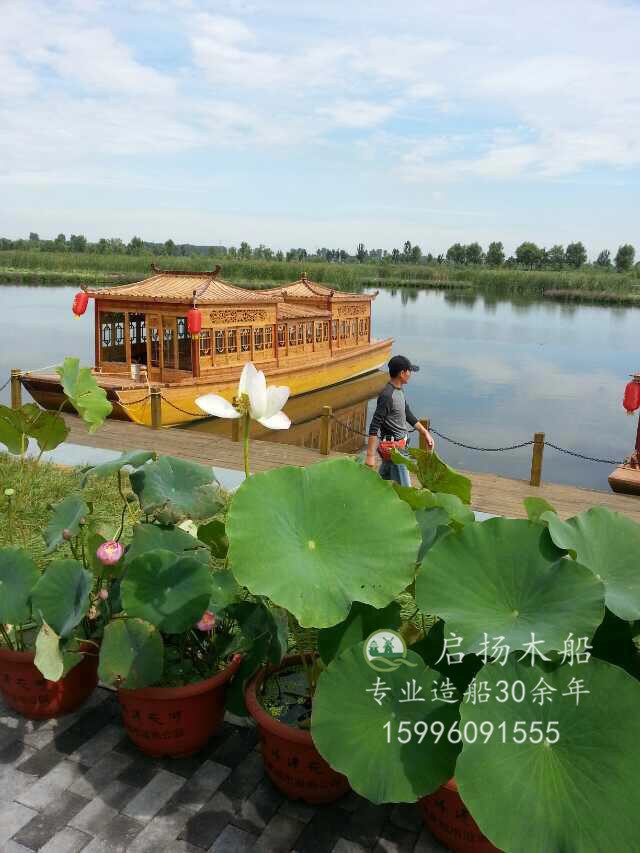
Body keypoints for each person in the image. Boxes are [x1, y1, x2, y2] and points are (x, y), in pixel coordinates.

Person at [365, 355, 434, 486]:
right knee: (406, 491)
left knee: (381, 486)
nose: (410, 374)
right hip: (395, 452)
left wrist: (424, 432)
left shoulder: (399, 390)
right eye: (409, 371)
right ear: (402, 373)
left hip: (398, 449)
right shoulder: (387, 396)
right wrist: (370, 455)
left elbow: (407, 413)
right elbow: (375, 425)